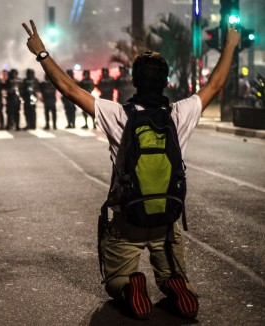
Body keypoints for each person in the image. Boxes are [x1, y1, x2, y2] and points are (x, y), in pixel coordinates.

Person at [22, 19, 240, 320]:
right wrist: (229, 45)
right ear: (165, 82)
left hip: (128, 220)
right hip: (166, 219)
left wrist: (42, 53)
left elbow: (70, 90)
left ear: (133, 82)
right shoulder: (179, 113)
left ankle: (130, 285)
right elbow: (215, 84)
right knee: (171, 273)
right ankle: (174, 284)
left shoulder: (118, 115)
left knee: (116, 280)